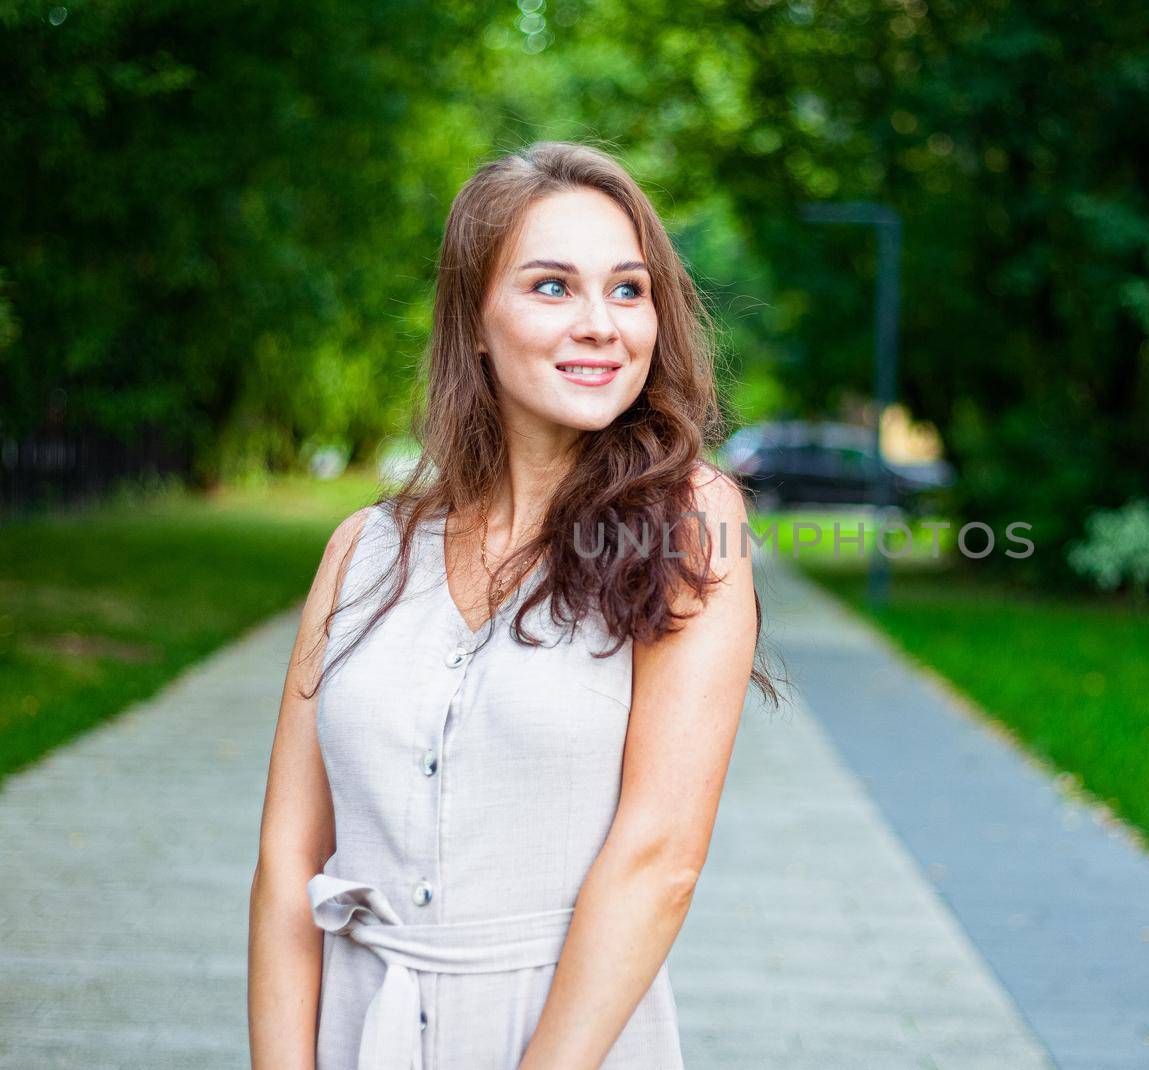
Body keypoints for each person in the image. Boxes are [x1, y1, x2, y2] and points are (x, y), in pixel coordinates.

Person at [248, 140, 783, 1069]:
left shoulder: (693, 521)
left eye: (628, 290)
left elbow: (661, 860)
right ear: (476, 323)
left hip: (564, 1038)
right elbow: (287, 866)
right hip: (357, 1028)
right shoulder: (361, 553)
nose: (601, 324)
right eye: (550, 286)